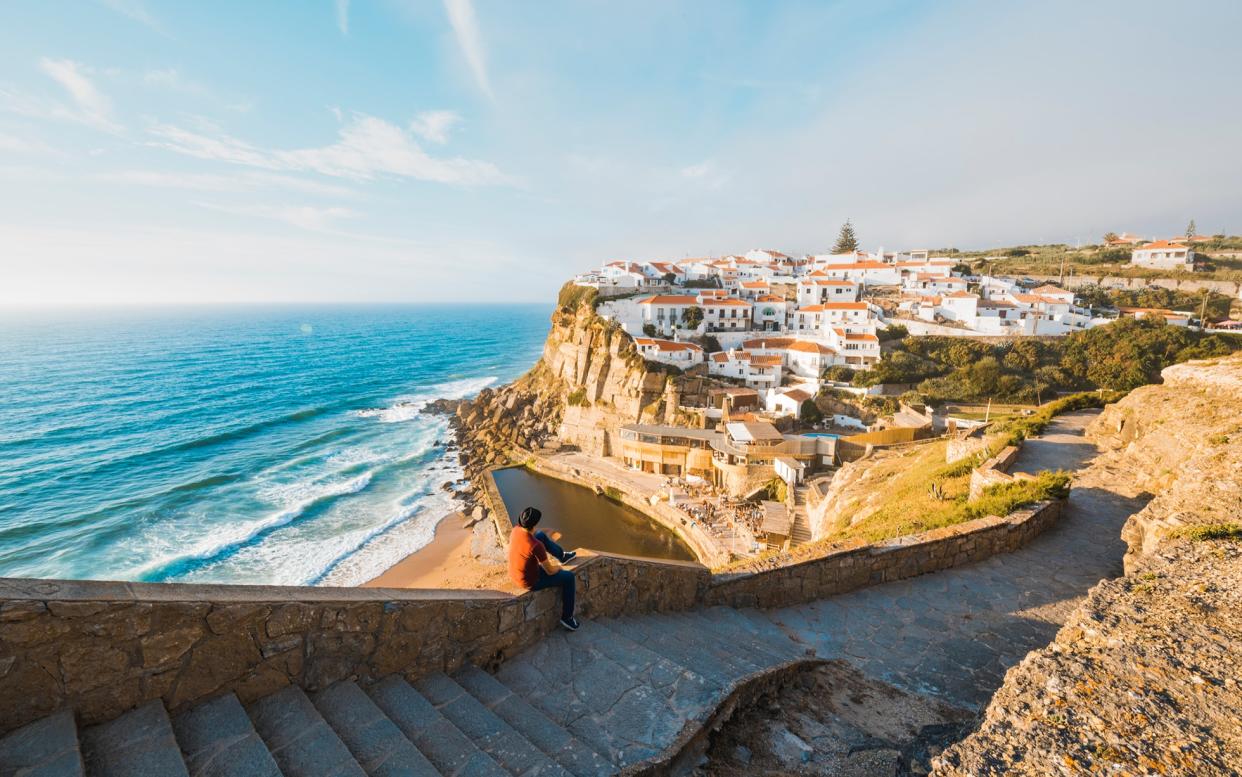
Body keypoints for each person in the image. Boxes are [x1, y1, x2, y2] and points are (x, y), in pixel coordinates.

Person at [508, 506, 580, 630]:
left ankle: (562, 556)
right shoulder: (536, 546)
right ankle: (567, 618)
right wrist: (558, 568)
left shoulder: (516, 530)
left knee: (540, 534)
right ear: (535, 524)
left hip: (515, 573)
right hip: (529, 581)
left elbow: (533, 535)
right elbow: (550, 571)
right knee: (569, 578)